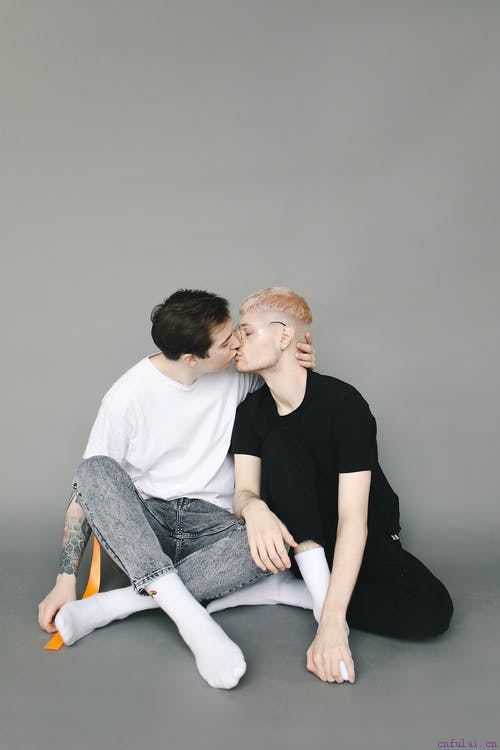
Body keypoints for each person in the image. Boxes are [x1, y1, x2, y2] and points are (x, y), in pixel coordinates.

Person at [38, 288, 316, 690]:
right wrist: (65, 579)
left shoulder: (237, 372)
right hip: (147, 528)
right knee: (93, 470)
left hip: (217, 527)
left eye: (236, 332)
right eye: (226, 342)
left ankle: (117, 604)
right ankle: (193, 621)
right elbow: (88, 493)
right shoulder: (127, 397)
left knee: (274, 539)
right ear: (191, 358)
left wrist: (297, 358)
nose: (237, 343)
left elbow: (288, 391)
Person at [205, 286, 454, 685]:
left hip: (362, 537)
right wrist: (254, 508)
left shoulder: (343, 404)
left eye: (247, 332)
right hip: (302, 544)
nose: (236, 343)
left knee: (433, 612)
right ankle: (319, 594)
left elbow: (354, 518)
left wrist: (334, 621)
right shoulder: (251, 412)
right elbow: (244, 491)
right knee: (281, 445)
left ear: (284, 336)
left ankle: (295, 593)